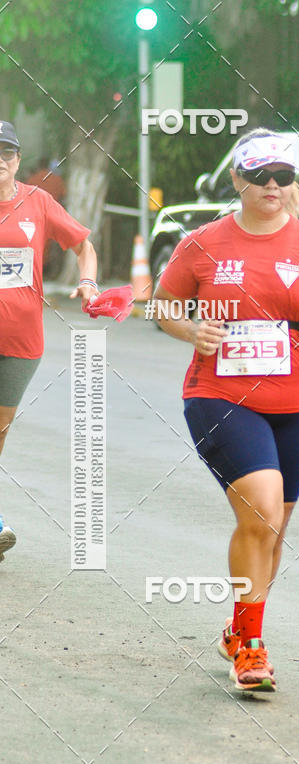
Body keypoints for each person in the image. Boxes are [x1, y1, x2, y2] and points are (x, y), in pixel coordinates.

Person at [154, 128, 299, 692]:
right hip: (218, 396)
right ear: (237, 179)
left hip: (298, 404)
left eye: (283, 176)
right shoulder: (203, 242)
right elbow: (163, 305)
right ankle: (252, 650)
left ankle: (239, 628)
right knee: (262, 512)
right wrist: (190, 329)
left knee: (273, 528)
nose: (272, 185)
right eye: (259, 175)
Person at [0, 121, 97, 561]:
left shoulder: (38, 202)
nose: (0, 160)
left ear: (18, 159)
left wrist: (89, 282)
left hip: (22, 341)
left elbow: (83, 245)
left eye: (7, 152)